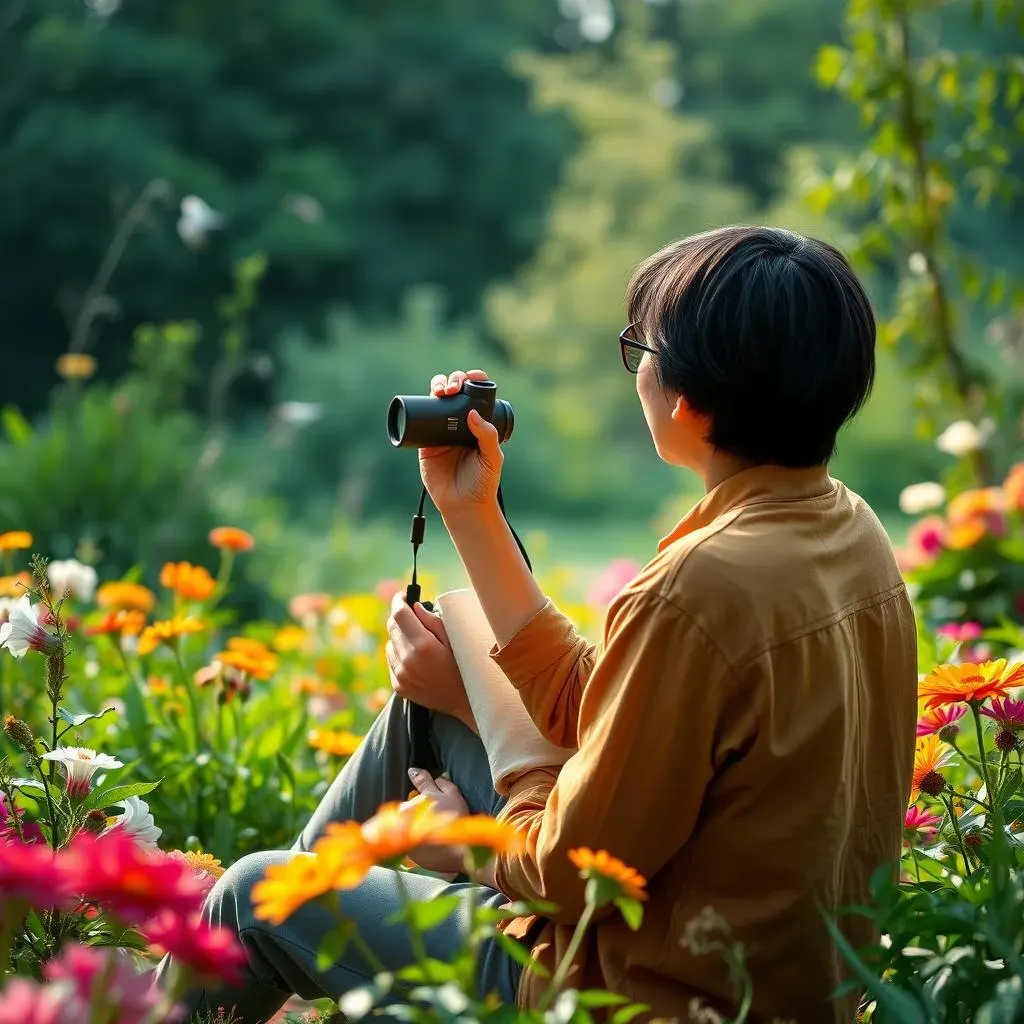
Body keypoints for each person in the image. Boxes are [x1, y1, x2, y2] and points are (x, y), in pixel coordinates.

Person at [170, 225, 918, 1023]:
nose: (637, 374)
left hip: (635, 988)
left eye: (642, 350)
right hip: (773, 971)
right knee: (421, 711)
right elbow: (605, 705)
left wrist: (472, 841)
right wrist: (471, 509)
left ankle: (234, 964)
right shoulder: (847, 529)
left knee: (253, 894)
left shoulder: (698, 587)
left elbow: (574, 868)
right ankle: (291, 950)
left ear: (691, 400)